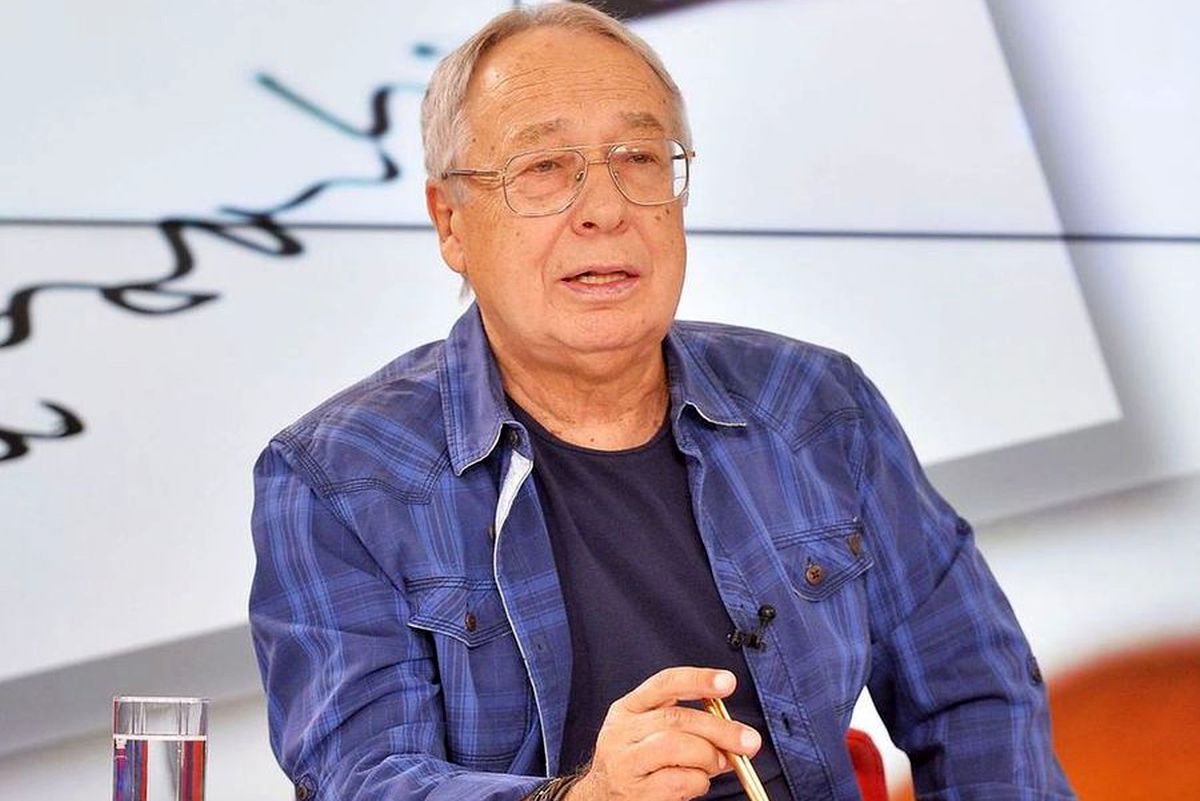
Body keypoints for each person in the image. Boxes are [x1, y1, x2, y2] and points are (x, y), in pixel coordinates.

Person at [249, 5, 1075, 800]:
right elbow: (359, 776)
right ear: (451, 221)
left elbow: (975, 688)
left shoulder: (816, 405)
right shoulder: (337, 478)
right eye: (544, 168)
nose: (606, 210)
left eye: (639, 159)